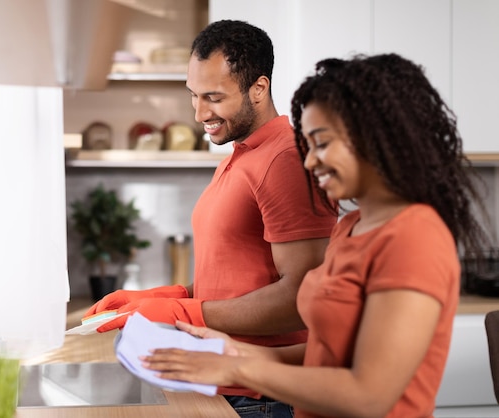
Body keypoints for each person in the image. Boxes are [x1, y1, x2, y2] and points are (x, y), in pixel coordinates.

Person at [141, 53, 491, 418]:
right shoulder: (349, 228)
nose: (308, 162)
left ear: (377, 137)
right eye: (307, 145)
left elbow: (370, 395)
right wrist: (238, 352)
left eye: (321, 144)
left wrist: (239, 370)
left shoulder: (414, 239)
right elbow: (329, 351)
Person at [83, 19, 338, 416]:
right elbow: (233, 276)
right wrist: (169, 296)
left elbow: (304, 296)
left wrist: (181, 312)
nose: (200, 112)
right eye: (194, 95)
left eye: (214, 97)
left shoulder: (285, 160)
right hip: (227, 381)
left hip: (266, 396)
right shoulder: (240, 155)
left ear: (259, 88)